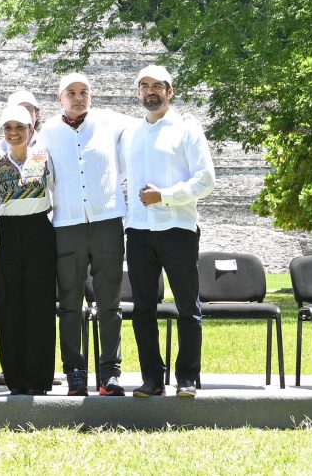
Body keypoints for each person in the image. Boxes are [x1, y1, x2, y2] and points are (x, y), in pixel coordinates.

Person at [121, 65, 215, 397]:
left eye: (157, 86)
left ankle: (187, 377)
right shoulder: (130, 133)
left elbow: (206, 179)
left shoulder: (187, 129)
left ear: (169, 91)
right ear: (138, 93)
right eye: (144, 86)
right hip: (139, 232)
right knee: (142, 309)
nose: (151, 91)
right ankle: (152, 379)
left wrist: (164, 196)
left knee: (187, 306)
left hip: (177, 227)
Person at [36, 72, 132, 397]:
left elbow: (146, 127)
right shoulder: (47, 131)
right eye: (71, 93)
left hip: (107, 221)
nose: (78, 98)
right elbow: (34, 172)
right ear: (59, 98)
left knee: (110, 303)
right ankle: (74, 372)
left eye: (84, 92)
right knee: (70, 304)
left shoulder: (112, 122)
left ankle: (110, 374)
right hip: (66, 224)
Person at [0, 104, 57, 396]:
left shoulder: (44, 158)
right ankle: (15, 377)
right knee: (9, 305)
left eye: (20, 127)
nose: (14, 133)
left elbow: (55, 191)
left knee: (39, 304)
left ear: (31, 130)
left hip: (38, 231)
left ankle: (39, 378)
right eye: (8, 128)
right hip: (6, 232)